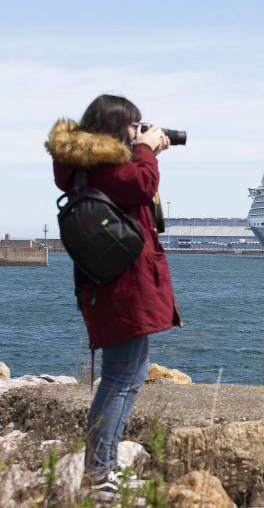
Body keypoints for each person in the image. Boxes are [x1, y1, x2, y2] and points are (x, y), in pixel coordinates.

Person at [46, 94, 183, 497]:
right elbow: (143, 184)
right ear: (114, 127)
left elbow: (137, 187)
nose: (138, 132)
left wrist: (143, 151)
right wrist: (146, 151)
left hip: (110, 284)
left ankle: (103, 470)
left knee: (130, 374)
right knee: (121, 379)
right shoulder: (106, 167)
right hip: (123, 287)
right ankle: (99, 474)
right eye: (133, 125)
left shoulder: (89, 167)